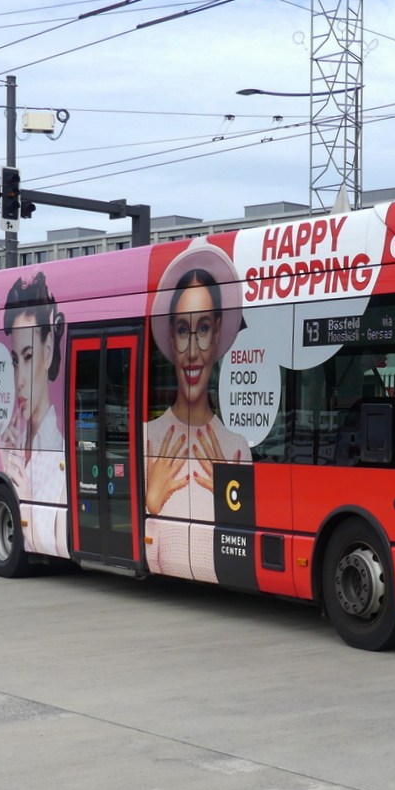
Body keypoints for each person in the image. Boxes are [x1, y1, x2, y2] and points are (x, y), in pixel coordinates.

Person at [146, 243, 249, 578]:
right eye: (182, 330)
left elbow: (243, 551)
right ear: (171, 337)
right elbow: (139, 552)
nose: (192, 351)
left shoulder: (237, 448)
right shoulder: (147, 439)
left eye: (203, 328)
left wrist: (228, 501)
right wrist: (150, 507)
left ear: (217, 332)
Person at [0, 273, 67, 556]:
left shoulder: (63, 457)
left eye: (28, 357)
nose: (19, 381)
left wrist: (23, 507)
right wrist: (5, 463)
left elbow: (59, 543)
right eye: (15, 361)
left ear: (48, 350)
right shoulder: (13, 447)